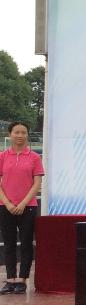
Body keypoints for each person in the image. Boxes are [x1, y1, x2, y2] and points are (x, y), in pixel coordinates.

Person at [0, 122, 44, 295]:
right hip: (6, 206)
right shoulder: (3, 156)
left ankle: (22, 279)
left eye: (23, 132)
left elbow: (37, 183)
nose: (20, 135)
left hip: (28, 207)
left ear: (27, 135)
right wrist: (8, 203)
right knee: (9, 243)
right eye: (16, 132)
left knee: (26, 243)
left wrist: (23, 203)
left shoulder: (34, 157)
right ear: (10, 134)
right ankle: (10, 279)